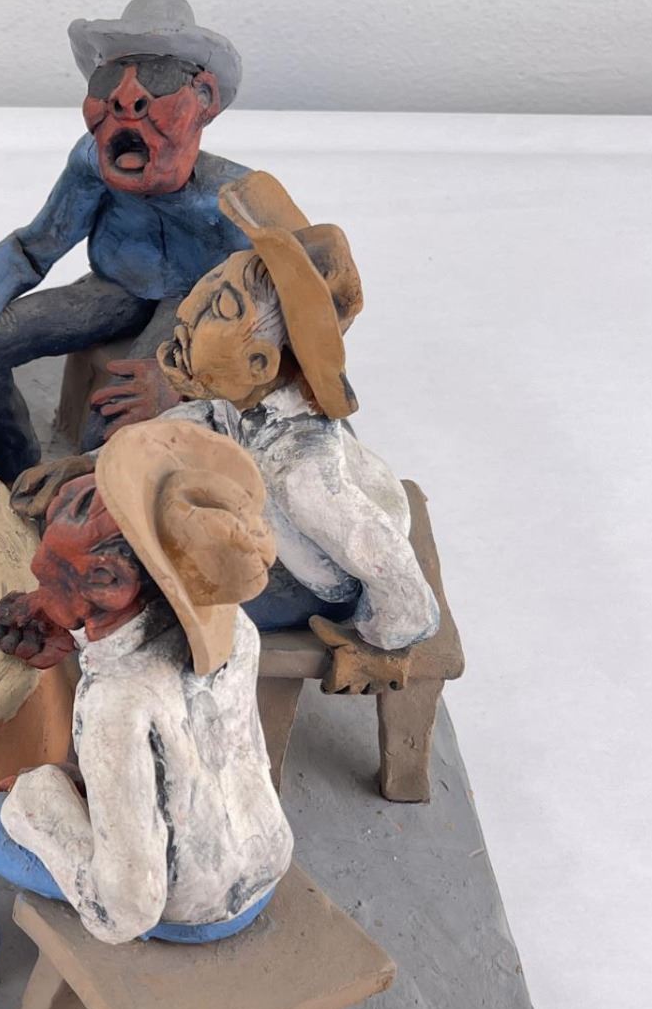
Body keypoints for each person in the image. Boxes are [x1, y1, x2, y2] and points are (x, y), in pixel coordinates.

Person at [0, 419, 293, 991]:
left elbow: (126, 908)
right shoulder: (235, 628)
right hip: (262, 858)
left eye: (51, 568)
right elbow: (184, 748)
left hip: (188, 907)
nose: (36, 572)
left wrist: (39, 796)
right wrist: (73, 620)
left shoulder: (118, 701)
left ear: (112, 582)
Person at [22, 171, 440, 693]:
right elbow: (192, 427)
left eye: (221, 307)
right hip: (260, 522)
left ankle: (117, 682)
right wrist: (97, 464)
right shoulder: (243, 403)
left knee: (162, 613)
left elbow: (397, 573)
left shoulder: (303, 476)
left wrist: (380, 643)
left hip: (307, 579)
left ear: (260, 361)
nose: (188, 310)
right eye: (211, 284)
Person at [0, 0, 281, 485]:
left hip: (192, 312)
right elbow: (31, 248)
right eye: (108, 79)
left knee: (116, 415)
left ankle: (79, 501)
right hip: (113, 288)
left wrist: (184, 378)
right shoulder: (91, 163)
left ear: (204, 98)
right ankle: (5, 479)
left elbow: (266, 312)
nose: (126, 98)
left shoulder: (235, 198)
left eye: (158, 78)